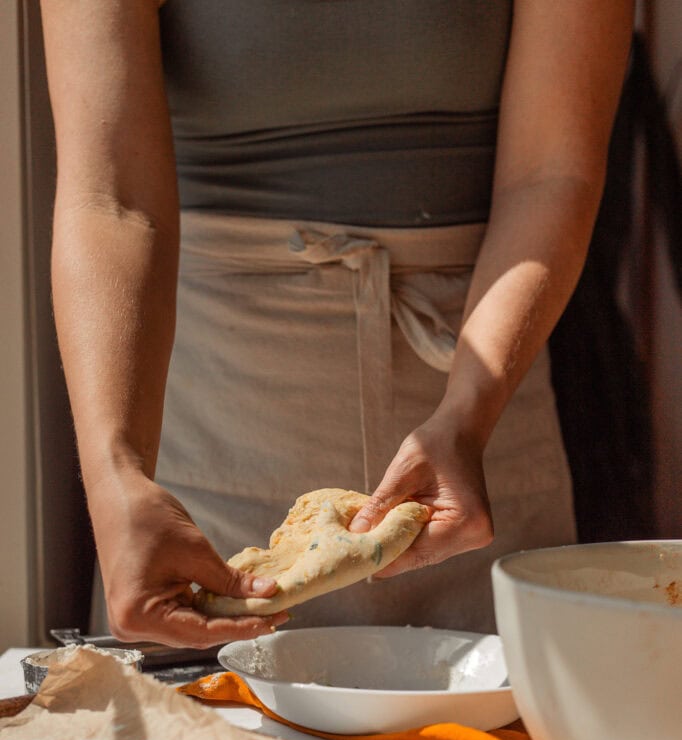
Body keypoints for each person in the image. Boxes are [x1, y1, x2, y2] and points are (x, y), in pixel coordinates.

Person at [40, 0, 634, 648]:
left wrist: (468, 413)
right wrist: (115, 471)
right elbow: (112, 198)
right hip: (214, 429)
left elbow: (552, 174)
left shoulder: (476, 419)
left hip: (481, 423)